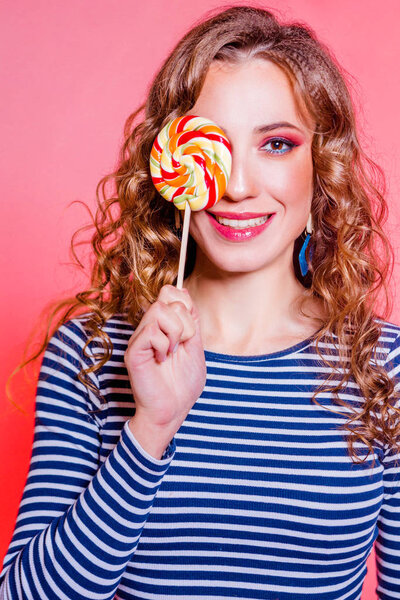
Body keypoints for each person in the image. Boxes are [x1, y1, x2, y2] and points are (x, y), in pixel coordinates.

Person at [1, 5, 399, 600]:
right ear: (169, 164)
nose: (236, 186)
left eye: (277, 144)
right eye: (211, 145)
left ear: (323, 166)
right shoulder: (94, 355)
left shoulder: (384, 369)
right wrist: (150, 428)